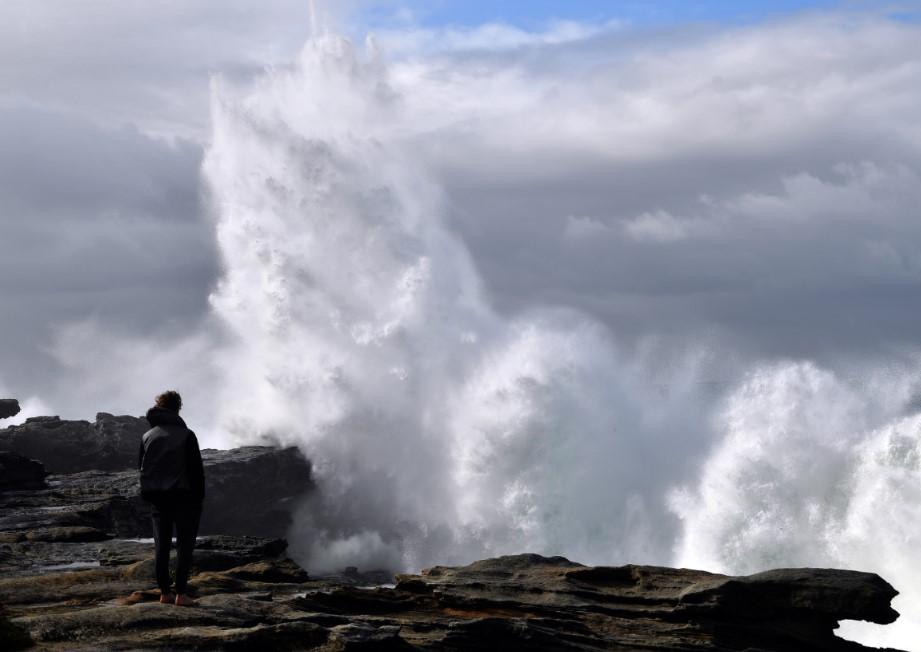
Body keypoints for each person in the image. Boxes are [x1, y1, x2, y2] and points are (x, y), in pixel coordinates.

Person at [138, 390, 205, 606]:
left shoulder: (147, 436)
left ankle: (165, 593)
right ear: (178, 409)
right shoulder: (187, 435)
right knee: (184, 547)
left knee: (162, 547)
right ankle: (181, 594)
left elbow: (141, 466)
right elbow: (196, 471)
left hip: (158, 498)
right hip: (184, 498)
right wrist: (199, 498)